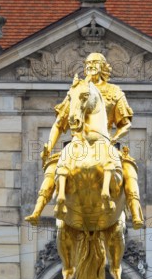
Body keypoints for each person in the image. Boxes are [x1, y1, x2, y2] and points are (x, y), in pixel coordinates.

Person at [25, 53, 144, 229]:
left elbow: (125, 124)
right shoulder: (76, 89)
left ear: (104, 66)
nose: (90, 66)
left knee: (128, 170)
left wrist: (114, 138)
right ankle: (38, 210)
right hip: (78, 143)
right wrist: (49, 147)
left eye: (95, 62)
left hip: (105, 142)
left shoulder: (114, 92)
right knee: (53, 168)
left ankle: (135, 213)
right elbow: (59, 123)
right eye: (88, 63)